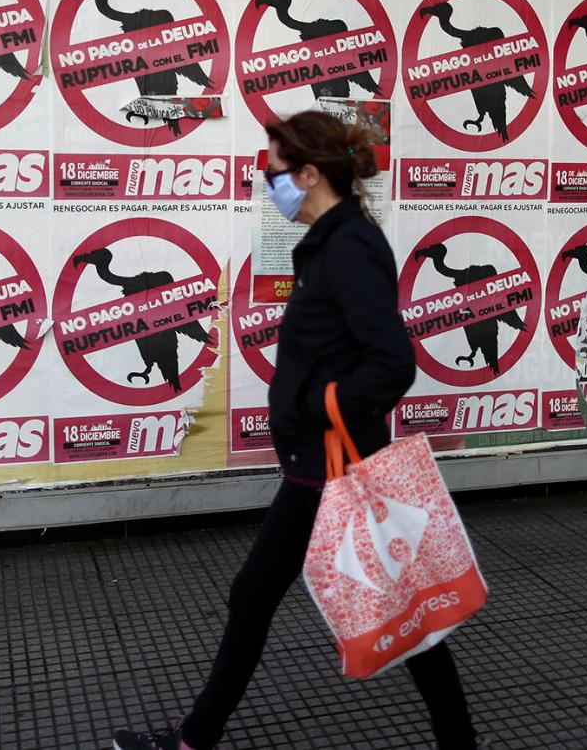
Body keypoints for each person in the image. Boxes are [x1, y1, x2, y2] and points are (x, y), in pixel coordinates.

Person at [112, 111, 481, 750]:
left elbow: (392, 363)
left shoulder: (348, 247)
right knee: (386, 603)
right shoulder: (333, 242)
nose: (268, 183)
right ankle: (458, 740)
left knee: (257, 594)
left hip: (329, 461)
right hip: (321, 459)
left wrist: (315, 403)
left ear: (310, 173)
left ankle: (193, 738)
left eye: (274, 172)